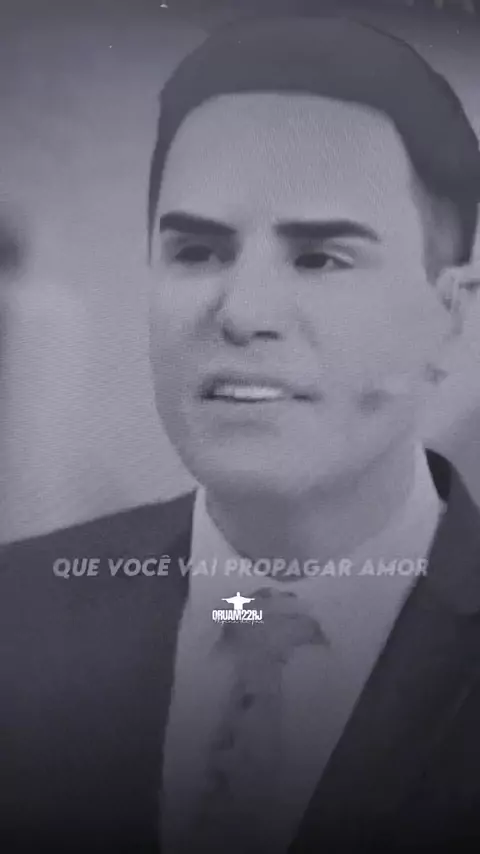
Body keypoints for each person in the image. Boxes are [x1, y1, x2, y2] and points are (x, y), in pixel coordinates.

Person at [1, 15, 480, 854]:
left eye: (321, 257)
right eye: (196, 250)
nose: (242, 313)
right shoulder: (18, 613)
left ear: (448, 317)